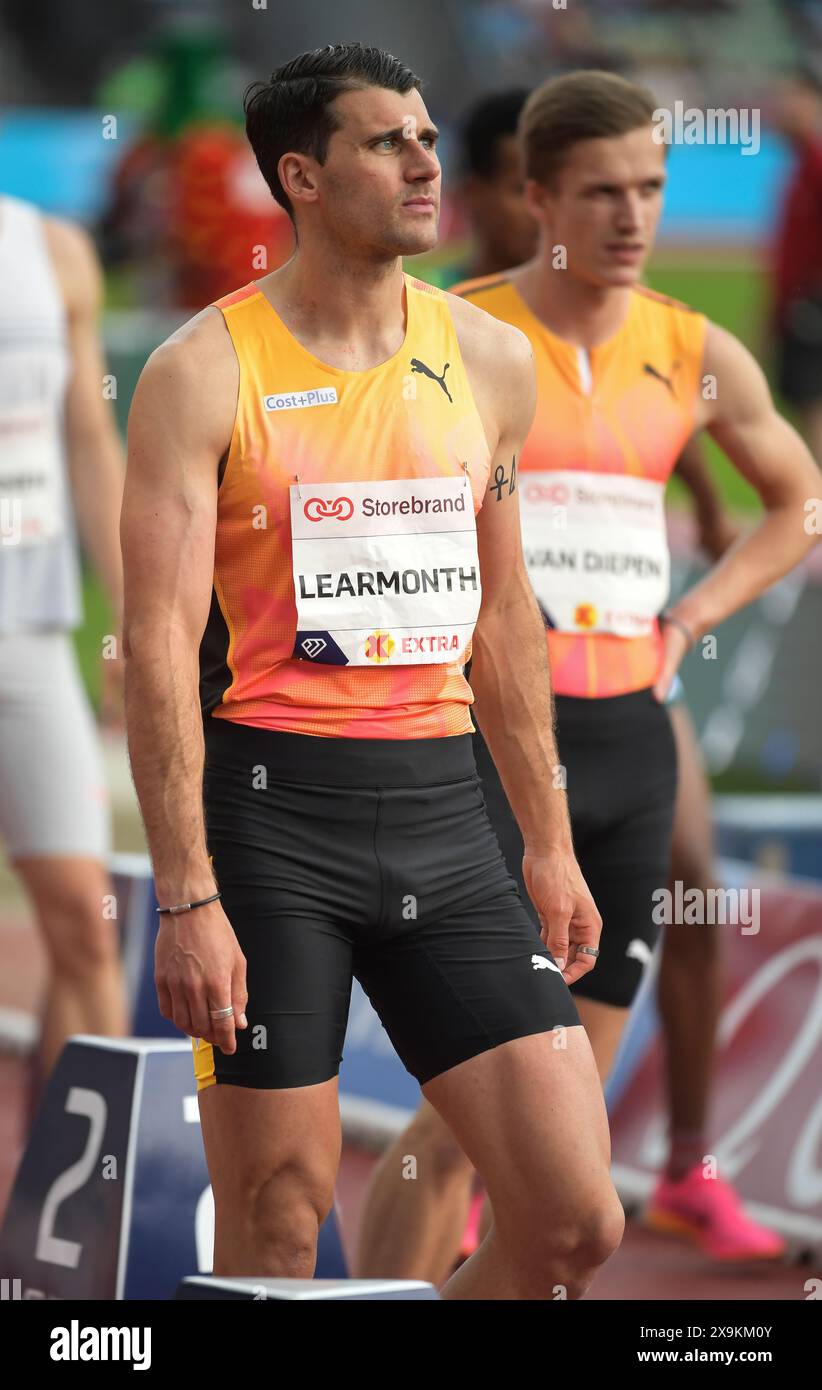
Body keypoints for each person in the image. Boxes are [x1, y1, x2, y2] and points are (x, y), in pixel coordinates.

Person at [121, 43, 625, 1300]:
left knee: (575, 1222)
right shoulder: (203, 371)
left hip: (448, 818)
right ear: (300, 176)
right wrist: (186, 896)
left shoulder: (486, 361)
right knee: (282, 1222)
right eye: (385, 142)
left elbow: (506, 615)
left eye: (428, 136)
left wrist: (548, 840)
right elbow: (154, 653)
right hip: (270, 824)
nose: (425, 161)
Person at [356, 69, 820, 1281]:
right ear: (537, 194)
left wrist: (691, 618)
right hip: (488, 752)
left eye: (654, 189)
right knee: (456, 1140)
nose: (634, 217)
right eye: (603, 192)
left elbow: (799, 502)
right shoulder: (453, 330)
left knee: (560, 1159)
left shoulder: (694, 349)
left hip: (629, 750)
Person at [0, 194, 128, 1088]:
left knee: (86, 918)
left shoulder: (51, 251)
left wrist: (134, 619)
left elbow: (89, 440)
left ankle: (79, 1212)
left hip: (29, 636)